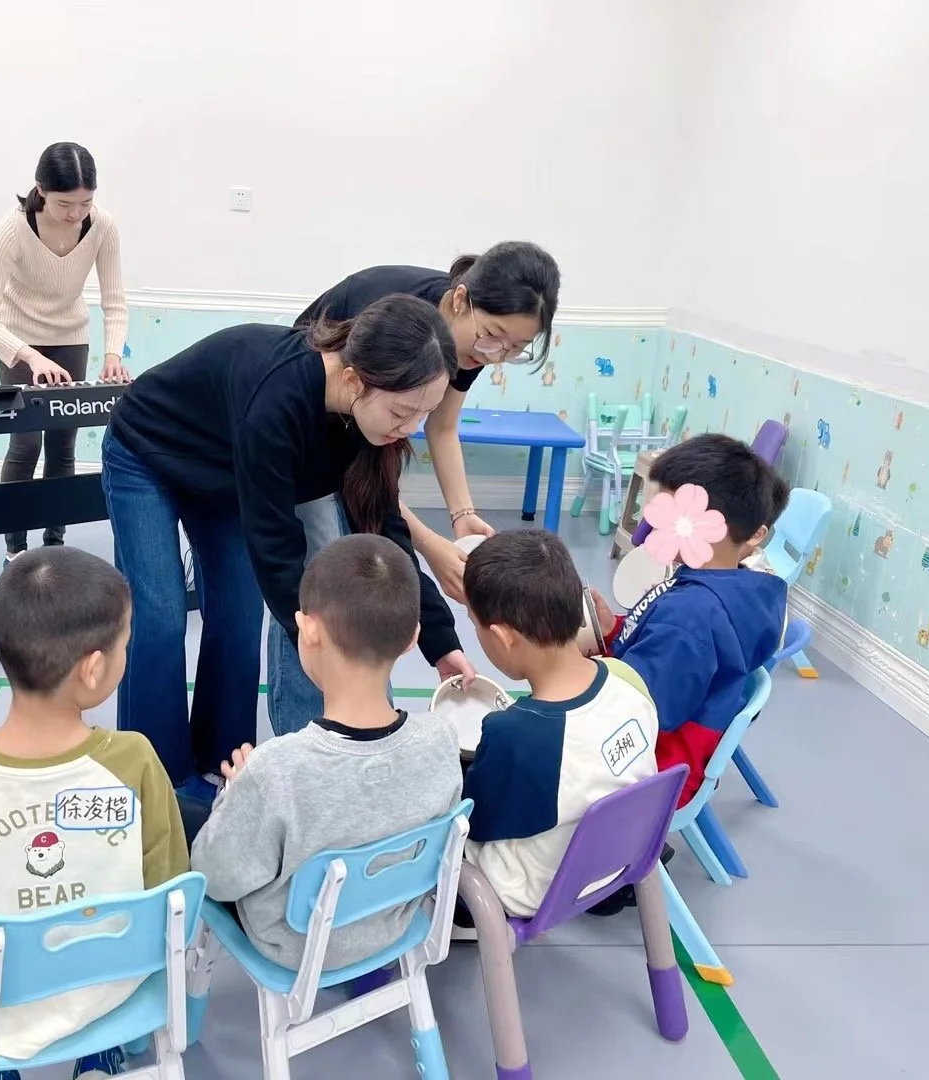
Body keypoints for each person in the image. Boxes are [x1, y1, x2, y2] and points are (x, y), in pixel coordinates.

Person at [101, 294, 475, 811]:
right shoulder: (276, 403)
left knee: (238, 611)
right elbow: (277, 551)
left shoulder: (365, 421)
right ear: (354, 382)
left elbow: (385, 527)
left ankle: (223, 760)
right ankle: (159, 778)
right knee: (160, 616)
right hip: (149, 451)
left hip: (223, 467)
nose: (410, 427)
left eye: (425, 413)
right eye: (403, 411)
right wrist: (320, 641)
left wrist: (439, 639)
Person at [0, 547, 186, 1079]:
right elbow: (168, 884)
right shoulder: (134, 759)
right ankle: (99, 1052)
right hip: (109, 982)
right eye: (125, 644)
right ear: (94, 669)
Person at [189, 534, 463, 968]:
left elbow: (216, 877)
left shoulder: (274, 769)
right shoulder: (442, 741)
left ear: (309, 629)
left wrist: (235, 794)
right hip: (392, 922)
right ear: (413, 637)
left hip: (295, 947)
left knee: (184, 814)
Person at [293, 243, 562, 606]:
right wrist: (428, 545)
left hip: (364, 425)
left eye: (515, 348)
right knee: (322, 563)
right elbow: (364, 466)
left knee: (363, 553)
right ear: (460, 300)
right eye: (494, 335)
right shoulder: (387, 317)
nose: (495, 356)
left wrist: (463, 515)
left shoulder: (475, 342)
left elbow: (443, 426)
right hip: (314, 420)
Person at [458, 529, 659, 923]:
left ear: (502, 637)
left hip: (529, 888)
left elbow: (477, 823)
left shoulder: (515, 733)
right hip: (618, 858)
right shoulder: (626, 680)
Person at [592, 434, 791, 810]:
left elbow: (642, 708)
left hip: (652, 772)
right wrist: (613, 630)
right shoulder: (729, 589)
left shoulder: (691, 614)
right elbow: (665, 659)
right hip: (681, 755)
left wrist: (578, 670)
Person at [0, 141, 130, 568]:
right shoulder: (13, 229)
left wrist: (112, 354)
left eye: (86, 202)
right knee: (25, 445)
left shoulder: (103, 226)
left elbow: (114, 300)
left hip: (70, 339)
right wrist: (30, 357)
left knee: (64, 445)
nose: (76, 214)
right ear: (40, 190)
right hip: (19, 341)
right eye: (65, 204)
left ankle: (54, 543)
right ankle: (15, 550)